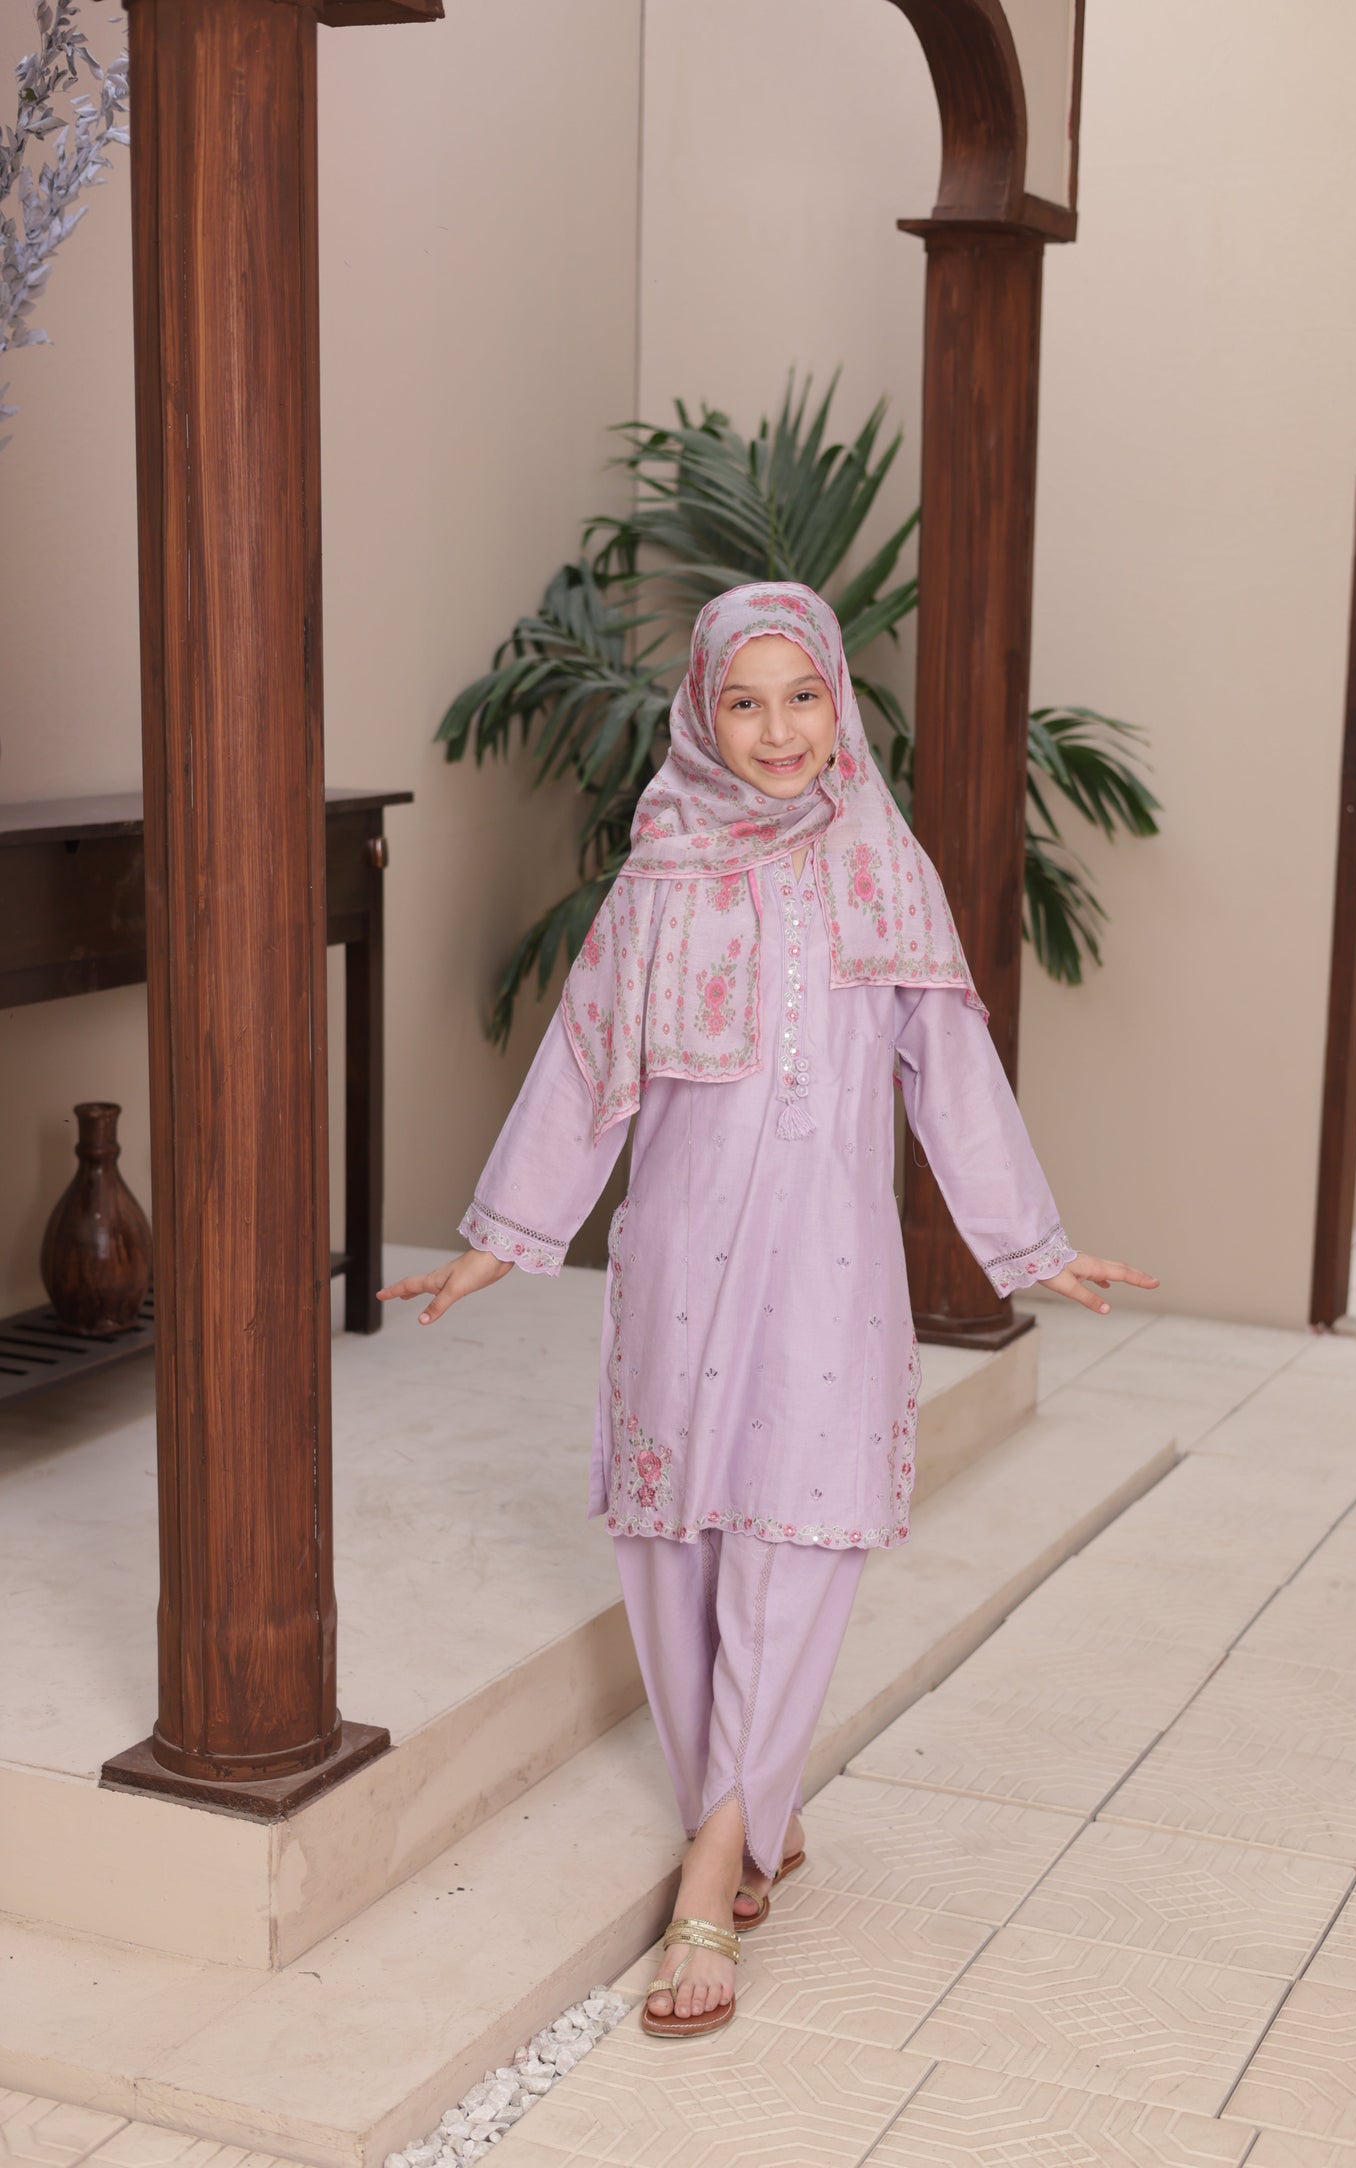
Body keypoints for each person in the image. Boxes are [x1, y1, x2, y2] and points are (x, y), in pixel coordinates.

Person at [380, 582, 1158, 2040]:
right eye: (745, 700)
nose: (779, 729)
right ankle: (748, 1814)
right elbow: (580, 1065)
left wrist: (1026, 1242)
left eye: (804, 696)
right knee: (673, 1542)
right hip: (676, 1263)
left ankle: (706, 1880)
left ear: (838, 709)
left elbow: (950, 1066)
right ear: (700, 710)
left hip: (826, 1266)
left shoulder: (883, 867)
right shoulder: (658, 872)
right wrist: (503, 1237)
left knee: (798, 1534)